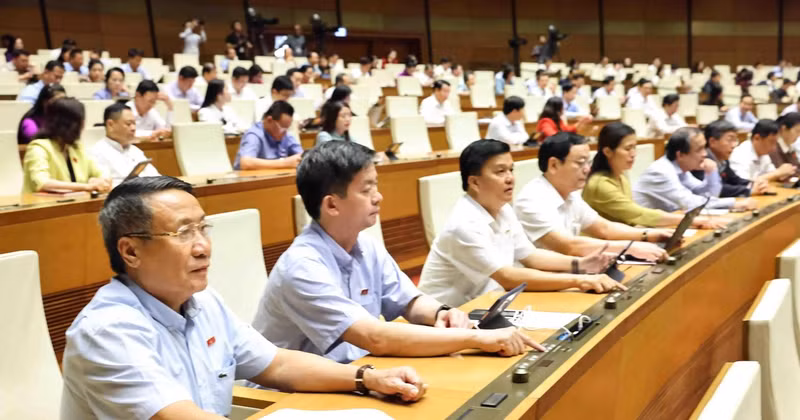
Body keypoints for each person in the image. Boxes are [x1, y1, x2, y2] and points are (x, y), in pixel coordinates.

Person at [60, 176, 428, 419]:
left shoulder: (204, 303)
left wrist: (367, 378)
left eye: (203, 228)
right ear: (130, 252)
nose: (203, 246)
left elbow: (278, 364)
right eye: (184, 233)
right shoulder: (108, 330)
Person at [252, 140, 544, 364]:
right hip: (291, 395)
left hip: (357, 372)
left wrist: (442, 314)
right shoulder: (302, 266)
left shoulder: (365, 245)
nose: (378, 197)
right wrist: (475, 338)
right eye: (367, 190)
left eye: (375, 186)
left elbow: (409, 302)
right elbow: (374, 337)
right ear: (331, 205)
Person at [417, 139, 622, 307]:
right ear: (474, 182)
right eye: (500, 172)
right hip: (446, 316)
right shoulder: (463, 224)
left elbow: (530, 256)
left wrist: (580, 265)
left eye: (511, 170)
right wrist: (579, 279)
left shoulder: (504, 209)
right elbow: (507, 277)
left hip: (490, 305)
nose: (510, 178)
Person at [515, 132, 669, 261]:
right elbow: (568, 246)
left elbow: (604, 228)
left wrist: (649, 235)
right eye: (580, 163)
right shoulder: (531, 200)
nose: (587, 169)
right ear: (554, 165)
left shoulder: (571, 194)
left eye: (587, 162)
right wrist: (630, 247)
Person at [583, 123, 726, 228]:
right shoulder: (600, 184)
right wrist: (691, 221)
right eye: (627, 149)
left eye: (634, 147)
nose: (633, 154)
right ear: (608, 152)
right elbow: (637, 214)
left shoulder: (621, 176)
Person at [633, 127, 756, 212]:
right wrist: (734, 203)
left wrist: (711, 173)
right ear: (680, 155)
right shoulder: (660, 172)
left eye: (704, 148)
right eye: (699, 149)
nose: (704, 154)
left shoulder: (682, 170)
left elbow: (706, 195)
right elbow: (691, 203)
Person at [22, 98, 111, 194]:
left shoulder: (76, 148)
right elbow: (43, 183)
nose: (83, 126)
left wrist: (100, 180)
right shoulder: (38, 148)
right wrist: (87, 187)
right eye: (81, 122)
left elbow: (101, 174)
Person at [691, 120, 768, 197]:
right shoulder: (701, 160)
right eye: (730, 140)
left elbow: (735, 179)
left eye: (735, 140)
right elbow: (717, 188)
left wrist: (753, 183)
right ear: (712, 142)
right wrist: (748, 190)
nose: (734, 145)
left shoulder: (723, 159)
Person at [89, 102, 160, 185]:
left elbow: (156, 177)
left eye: (134, 124)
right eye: (128, 124)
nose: (133, 128)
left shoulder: (136, 151)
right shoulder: (97, 152)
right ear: (110, 125)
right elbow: (106, 186)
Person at [234, 101, 302, 170]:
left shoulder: (286, 135)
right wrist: (285, 163)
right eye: (282, 128)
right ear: (269, 120)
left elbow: (302, 156)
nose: (285, 133)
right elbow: (246, 163)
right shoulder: (254, 135)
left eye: (287, 128)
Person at [729, 119, 797, 182]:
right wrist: (778, 173)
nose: (774, 147)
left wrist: (783, 173)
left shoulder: (764, 153)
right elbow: (744, 183)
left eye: (775, 143)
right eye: (771, 142)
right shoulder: (740, 154)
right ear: (757, 138)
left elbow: (772, 174)